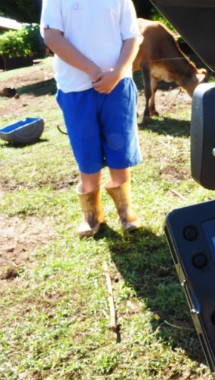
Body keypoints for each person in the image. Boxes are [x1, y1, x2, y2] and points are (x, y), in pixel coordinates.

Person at [40, 0, 143, 237]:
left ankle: (126, 211)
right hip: (75, 88)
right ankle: (92, 216)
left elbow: (132, 38)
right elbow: (52, 37)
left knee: (120, 147)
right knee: (86, 151)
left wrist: (116, 73)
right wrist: (93, 71)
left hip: (118, 85)